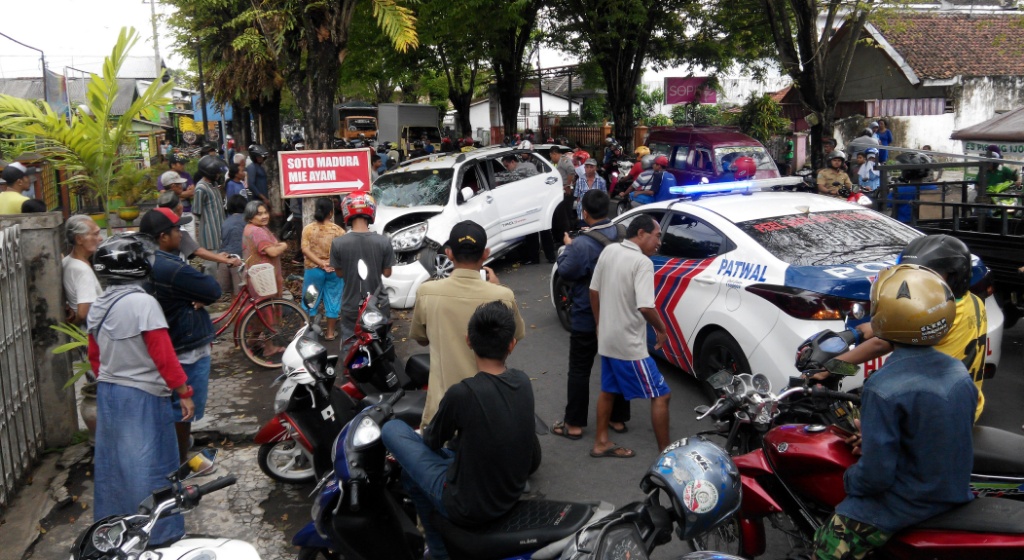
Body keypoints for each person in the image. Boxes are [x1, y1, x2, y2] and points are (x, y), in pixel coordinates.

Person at [812, 264, 975, 560]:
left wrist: (850, 478)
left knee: (825, 544)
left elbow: (875, 476)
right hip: (951, 487)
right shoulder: (957, 370)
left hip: (907, 502)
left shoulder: (882, 388)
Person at [382, 301, 540, 560]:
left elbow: (431, 441)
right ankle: (436, 546)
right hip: (508, 495)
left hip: (469, 505)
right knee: (413, 476)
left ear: (468, 340)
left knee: (393, 428)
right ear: (511, 344)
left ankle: (439, 551)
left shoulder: (463, 393)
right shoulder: (522, 381)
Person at [87, 233, 194, 546]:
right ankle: (156, 534)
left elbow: (95, 358)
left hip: (109, 393)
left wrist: (114, 376)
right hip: (143, 396)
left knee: (115, 466)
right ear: (137, 267)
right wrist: (183, 391)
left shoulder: (99, 304)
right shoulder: (143, 303)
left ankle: (113, 530)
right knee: (152, 466)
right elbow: (163, 355)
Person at [822, 235, 988, 421]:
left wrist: (830, 369)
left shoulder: (939, 313)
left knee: (852, 428)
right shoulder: (970, 301)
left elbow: (880, 345)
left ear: (954, 276)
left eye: (927, 276)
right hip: (963, 401)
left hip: (931, 412)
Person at [410, 220, 526, 426]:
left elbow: (421, 340)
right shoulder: (503, 296)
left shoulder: (426, 292)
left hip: (442, 411)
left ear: (449, 253)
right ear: (485, 253)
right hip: (488, 407)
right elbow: (513, 339)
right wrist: (496, 291)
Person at [142, 207, 222, 467]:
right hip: (184, 345)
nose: (181, 234)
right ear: (164, 237)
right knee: (183, 408)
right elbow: (212, 289)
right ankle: (178, 465)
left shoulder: (145, 260)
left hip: (170, 338)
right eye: (177, 230)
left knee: (175, 407)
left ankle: (177, 456)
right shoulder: (170, 267)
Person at [589, 213, 670, 458]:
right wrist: (662, 329)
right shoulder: (643, 263)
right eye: (657, 236)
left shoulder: (610, 251)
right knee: (662, 394)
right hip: (628, 344)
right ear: (641, 233)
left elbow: (594, 291)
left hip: (608, 337)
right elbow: (646, 306)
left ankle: (601, 442)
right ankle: (666, 455)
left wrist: (599, 324)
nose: (659, 242)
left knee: (608, 390)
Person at [552, 190, 630, 440]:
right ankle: (617, 419)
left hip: (587, 317)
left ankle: (574, 424)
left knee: (579, 369)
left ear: (584, 213)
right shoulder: (623, 234)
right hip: (618, 315)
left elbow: (566, 272)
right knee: (617, 365)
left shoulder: (581, 244)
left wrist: (566, 248)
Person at [329, 193, 394, 356]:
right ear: (370, 211)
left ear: (346, 212)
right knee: (382, 343)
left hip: (351, 304)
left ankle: (350, 376)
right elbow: (387, 273)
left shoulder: (337, 243)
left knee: (350, 345)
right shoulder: (383, 241)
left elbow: (339, 273)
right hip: (377, 303)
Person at [156, 192, 242, 269]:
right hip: (174, 270)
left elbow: (194, 255)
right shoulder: (176, 230)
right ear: (179, 207)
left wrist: (216, 256)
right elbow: (197, 251)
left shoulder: (156, 224)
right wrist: (225, 260)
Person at [301, 198, 345, 341]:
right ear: (331, 213)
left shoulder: (308, 229)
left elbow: (304, 249)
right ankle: (330, 333)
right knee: (333, 300)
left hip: (313, 271)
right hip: (334, 271)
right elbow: (344, 252)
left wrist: (320, 263)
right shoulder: (338, 231)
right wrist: (330, 263)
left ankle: (308, 332)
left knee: (310, 300)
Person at [62, 215, 103, 325]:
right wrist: (73, 325)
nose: (100, 238)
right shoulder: (82, 270)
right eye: (95, 234)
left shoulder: (67, 261)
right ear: (79, 239)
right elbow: (83, 313)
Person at [192, 156, 229, 277]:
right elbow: (196, 211)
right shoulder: (201, 188)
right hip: (209, 232)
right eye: (217, 173)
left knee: (220, 259)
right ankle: (208, 286)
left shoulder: (213, 185)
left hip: (220, 229)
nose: (219, 175)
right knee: (210, 264)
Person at [158, 154, 196, 238]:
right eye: (181, 164)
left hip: (187, 211)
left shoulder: (187, 175)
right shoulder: (163, 177)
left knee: (192, 239)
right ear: (173, 165)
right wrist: (184, 194)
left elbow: (192, 193)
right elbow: (165, 196)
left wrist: (176, 194)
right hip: (173, 213)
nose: (183, 166)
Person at [220, 195, 248, 294]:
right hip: (240, 261)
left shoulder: (226, 222)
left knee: (233, 294)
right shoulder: (247, 221)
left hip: (225, 259)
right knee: (241, 294)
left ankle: (234, 309)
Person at [246, 144, 271, 209]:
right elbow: (251, 185)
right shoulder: (252, 167)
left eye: (261, 157)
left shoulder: (260, 167)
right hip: (257, 200)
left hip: (262, 199)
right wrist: (263, 198)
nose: (261, 158)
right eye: (258, 157)